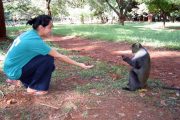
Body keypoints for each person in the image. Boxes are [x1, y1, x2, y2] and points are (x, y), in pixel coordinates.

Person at [3, 15, 93, 95]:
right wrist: (80, 64)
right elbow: (59, 56)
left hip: (10, 68)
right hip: (14, 70)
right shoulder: (34, 41)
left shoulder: (29, 34)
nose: (51, 30)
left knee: (48, 64)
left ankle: (24, 81)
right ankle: (34, 88)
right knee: (48, 59)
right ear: (41, 27)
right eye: (50, 27)